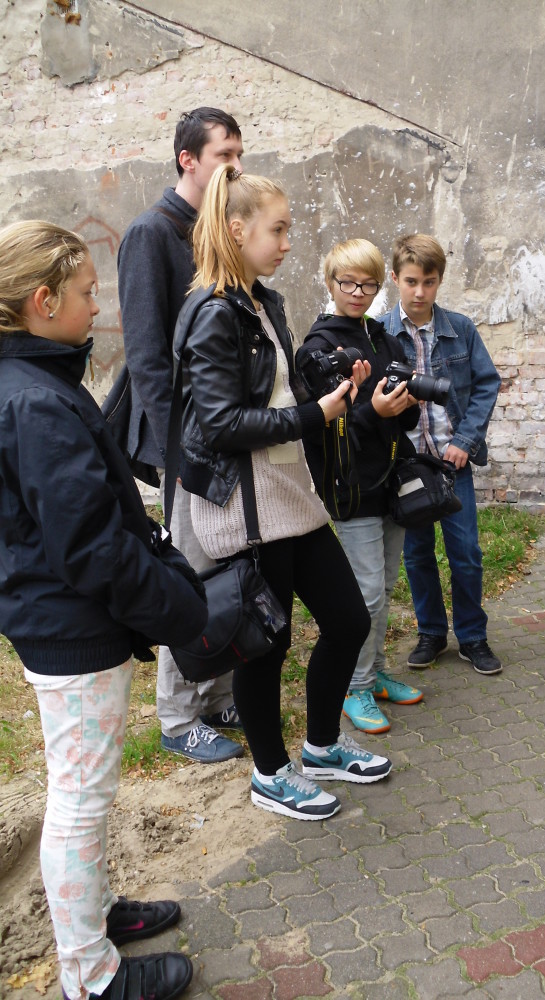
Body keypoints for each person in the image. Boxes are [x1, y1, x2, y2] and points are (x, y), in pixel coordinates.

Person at [0, 221, 210, 1000]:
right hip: (70, 628)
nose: (98, 307)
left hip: (62, 617)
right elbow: (91, 546)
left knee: (84, 792)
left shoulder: (31, 382)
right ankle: (89, 975)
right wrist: (179, 611)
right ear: (43, 301)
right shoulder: (33, 401)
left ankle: (93, 912)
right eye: (87, 293)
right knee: (80, 801)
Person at [173, 166, 393, 820]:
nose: (288, 242)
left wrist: (335, 392)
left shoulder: (264, 302)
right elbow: (221, 424)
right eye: (278, 229)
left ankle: (321, 748)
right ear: (237, 230)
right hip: (245, 507)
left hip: (291, 495)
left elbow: (279, 393)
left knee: (349, 620)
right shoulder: (212, 313)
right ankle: (271, 774)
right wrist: (311, 414)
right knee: (265, 644)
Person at [116, 107, 246, 763]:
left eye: (239, 154)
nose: (236, 166)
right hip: (186, 440)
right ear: (187, 160)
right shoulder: (150, 234)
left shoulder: (218, 228)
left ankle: (217, 694)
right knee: (191, 572)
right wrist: (182, 451)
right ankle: (176, 716)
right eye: (225, 155)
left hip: (227, 430)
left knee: (228, 566)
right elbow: (146, 358)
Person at [297, 239, 423, 735]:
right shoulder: (317, 347)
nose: (357, 293)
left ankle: (374, 673)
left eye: (368, 284)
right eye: (347, 282)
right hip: (350, 484)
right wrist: (375, 409)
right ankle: (354, 687)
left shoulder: (381, 336)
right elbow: (324, 426)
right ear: (330, 282)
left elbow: (401, 413)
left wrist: (405, 404)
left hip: (390, 477)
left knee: (385, 585)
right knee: (365, 593)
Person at [380, 234, 503, 675]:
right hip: (407, 465)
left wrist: (464, 441)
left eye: (429, 282)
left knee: (465, 551)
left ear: (439, 281)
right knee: (417, 553)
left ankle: (472, 636)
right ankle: (431, 632)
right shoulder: (379, 334)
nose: (419, 292)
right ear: (395, 278)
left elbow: (487, 383)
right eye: (411, 281)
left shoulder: (460, 329)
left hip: (453, 463)